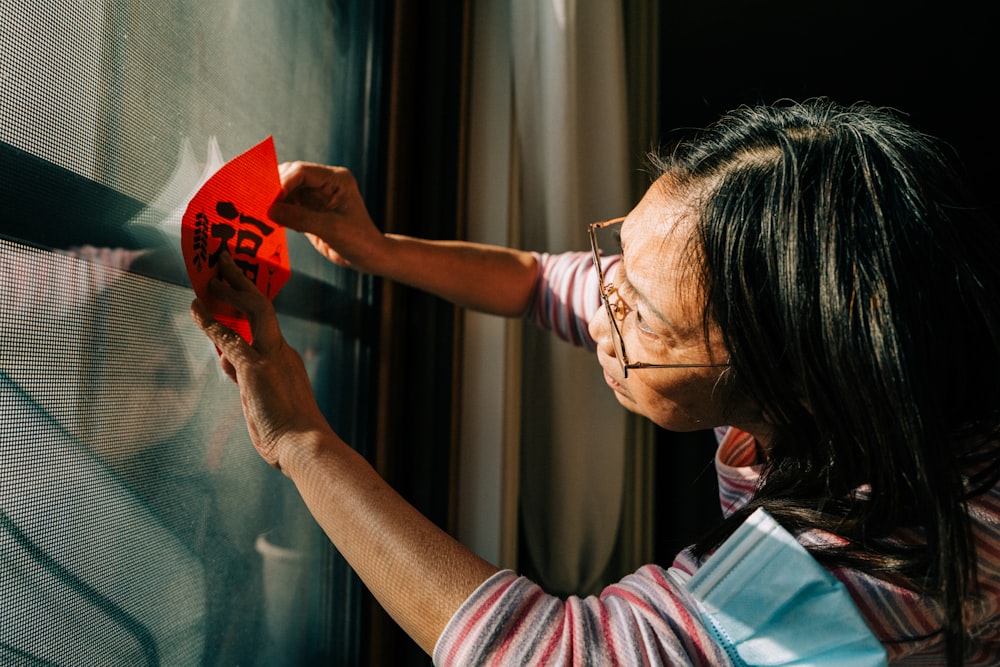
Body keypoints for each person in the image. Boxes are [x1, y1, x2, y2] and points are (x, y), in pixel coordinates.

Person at [190, 98, 1000, 665]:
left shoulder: (877, 567)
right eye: (619, 249)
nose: (604, 298)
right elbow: (539, 281)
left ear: (793, 389)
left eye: (641, 317)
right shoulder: (824, 353)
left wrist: (301, 440)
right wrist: (376, 248)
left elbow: (553, 654)